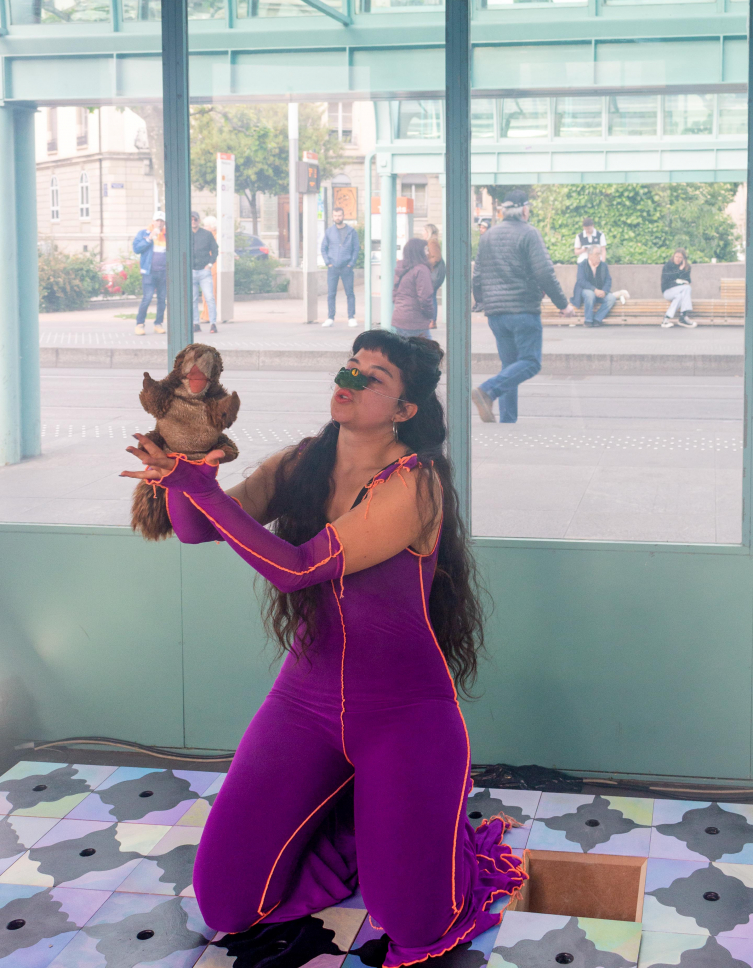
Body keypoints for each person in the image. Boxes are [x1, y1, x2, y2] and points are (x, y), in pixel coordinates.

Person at [121, 330, 526, 968]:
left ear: (404, 410)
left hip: (404, 713)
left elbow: (299, 569)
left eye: (373, 377)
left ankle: (412, 828)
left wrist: (197, 485)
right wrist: (186, 464)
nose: (350, 379)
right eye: (349, 366)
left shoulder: (416, 483)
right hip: (303, 704)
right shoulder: (303, 461)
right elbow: (197, 528)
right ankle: (362, 826)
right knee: (226, 905)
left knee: (414, 922)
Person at [471, 188, 574, 424]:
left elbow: (477, 276)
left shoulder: (487, 236)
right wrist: (563, 304)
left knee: (510, 366)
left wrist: (485, 302)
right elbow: (544, 272)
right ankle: (487, 391)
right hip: (523, 311)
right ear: (524, 210)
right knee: (530, 362)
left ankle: (508, 420)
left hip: (496, 314)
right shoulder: (529, 233)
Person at [322, 206, 359, 328]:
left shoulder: (351, 231)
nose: (337, 218)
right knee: (331, 294)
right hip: (333, 267)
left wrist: (351, 263)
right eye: (335, 216)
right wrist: (328, 263)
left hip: (346, 267)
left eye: (339, 215)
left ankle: (351, 317)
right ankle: (330, 318)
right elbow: (323, 248)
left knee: (350, 293)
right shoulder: (329, 232)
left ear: (343, 216)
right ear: (333, 217)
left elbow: (356, 248)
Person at [392, 238, 435, 339]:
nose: (428, 252)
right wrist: (430, 315)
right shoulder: (421, 270)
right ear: (419, 251)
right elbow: (425, 297)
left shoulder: (401, 268)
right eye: (426, 249)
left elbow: (394, 293)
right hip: (415, 320)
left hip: (399, 317)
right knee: (427, 348)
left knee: (404, 347)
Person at [132, 216, 167, 336]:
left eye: (162, 221)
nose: (159, 223)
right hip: (149, 272)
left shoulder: (167, 235)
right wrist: (149, 238)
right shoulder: (144, 233)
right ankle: (140, 324)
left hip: (163, 272)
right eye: (157, 220)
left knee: (162, 299)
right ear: (153, 222)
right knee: (147, 298)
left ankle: (158, 324)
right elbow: (136, 249)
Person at [572, 244, 617, 327]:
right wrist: (594, 290)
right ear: (590, 255)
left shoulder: (603, 265)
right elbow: (581, 281)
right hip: (585, 291)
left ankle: (597, 319)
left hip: (600, 292)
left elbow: (608, 280)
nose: (599, 256)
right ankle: (588, 320)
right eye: (597, 254)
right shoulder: (582, 265)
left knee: (611, 298)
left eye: (600, 253)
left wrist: (604, 291)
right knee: (590, 294)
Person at [192, 211, 218, 335]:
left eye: (195, 219)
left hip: (204, 271)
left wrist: (210, 264)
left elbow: (215, 250)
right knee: (193, 299)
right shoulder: (186, 234)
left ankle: (213, 323)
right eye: (191, 219)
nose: (193, 221)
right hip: (191, 271)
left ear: (199, 220)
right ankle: (196, 323)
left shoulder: (207, 234)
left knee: (209, 297)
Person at [661, 248, 697, 328]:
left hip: (679, 292)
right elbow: (668, 279)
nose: (678, 259)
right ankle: (683, 316)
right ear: (673, 256)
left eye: (680, 257)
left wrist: (682, 270)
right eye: (676, 256)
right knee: (687, 288)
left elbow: (688, 280)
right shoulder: (668, 266)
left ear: (683, 259)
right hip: (668, 292)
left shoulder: (686, 267)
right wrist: (679, 270)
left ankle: (666, 319)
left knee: (680, 297)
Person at [423, 223, 445, 329]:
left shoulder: (432, 242)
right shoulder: (430, 242)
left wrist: (425, 263)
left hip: (434, 274)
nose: (422, 233)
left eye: (424, 231)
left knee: (430, 296)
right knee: (430, 296)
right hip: (432, 273)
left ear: (428, 232)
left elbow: (436, 258)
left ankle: (432, 321)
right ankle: (431, 320)